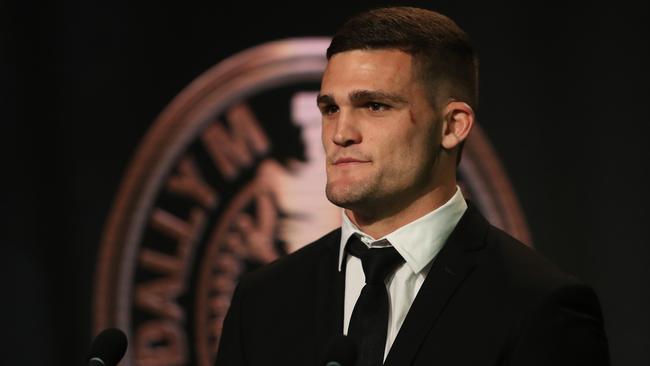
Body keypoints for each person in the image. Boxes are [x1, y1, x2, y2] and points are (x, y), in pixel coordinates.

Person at [215, 6, 609, 366]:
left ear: (452, 126)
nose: (340, 133)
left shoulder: (537, 305)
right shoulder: (263, 300)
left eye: (375, 106)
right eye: (331, 108)